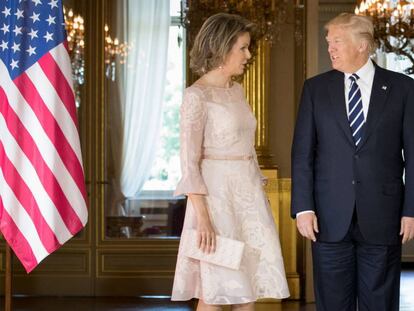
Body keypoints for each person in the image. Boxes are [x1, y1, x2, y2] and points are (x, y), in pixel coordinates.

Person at [291, 13, 414, 311]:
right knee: (332, 303)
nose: (330, 48)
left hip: (384, 216)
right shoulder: (315, 89)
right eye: (328, 41)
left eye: (337, 41)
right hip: (327, 218)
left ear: (362, 45)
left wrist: (411, 210)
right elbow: (302, 153)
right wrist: (303, 208)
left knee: (380, 303)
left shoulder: (403, 88)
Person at [171, 12, 290, 311]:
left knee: (246, 291)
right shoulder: (196, 96)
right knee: (215, 291)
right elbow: (189, 164)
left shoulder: (237, 91)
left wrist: (256, 197)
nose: (249, 55)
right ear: (222, 48)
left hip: (247, 198)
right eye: (243, 47)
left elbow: (246, 149)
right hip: (215, 201)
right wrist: (204, 221)